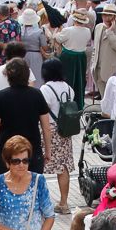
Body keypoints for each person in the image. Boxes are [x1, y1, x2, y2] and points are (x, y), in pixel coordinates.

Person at [0, 58, 51, 175]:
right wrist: (48, 151)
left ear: (8, 75)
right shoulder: (37, 94)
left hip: (8, 153)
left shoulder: (0, 97)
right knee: (33, 190)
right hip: (32, 152)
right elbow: (46, 127)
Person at [39, 59, 77, 212]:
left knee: (42, 165)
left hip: (49, 130)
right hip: (65, 130)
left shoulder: (45, 89)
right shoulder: (68, 88)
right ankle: (64, 203)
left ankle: (42, 203)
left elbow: (42, 111)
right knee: (63, 167)